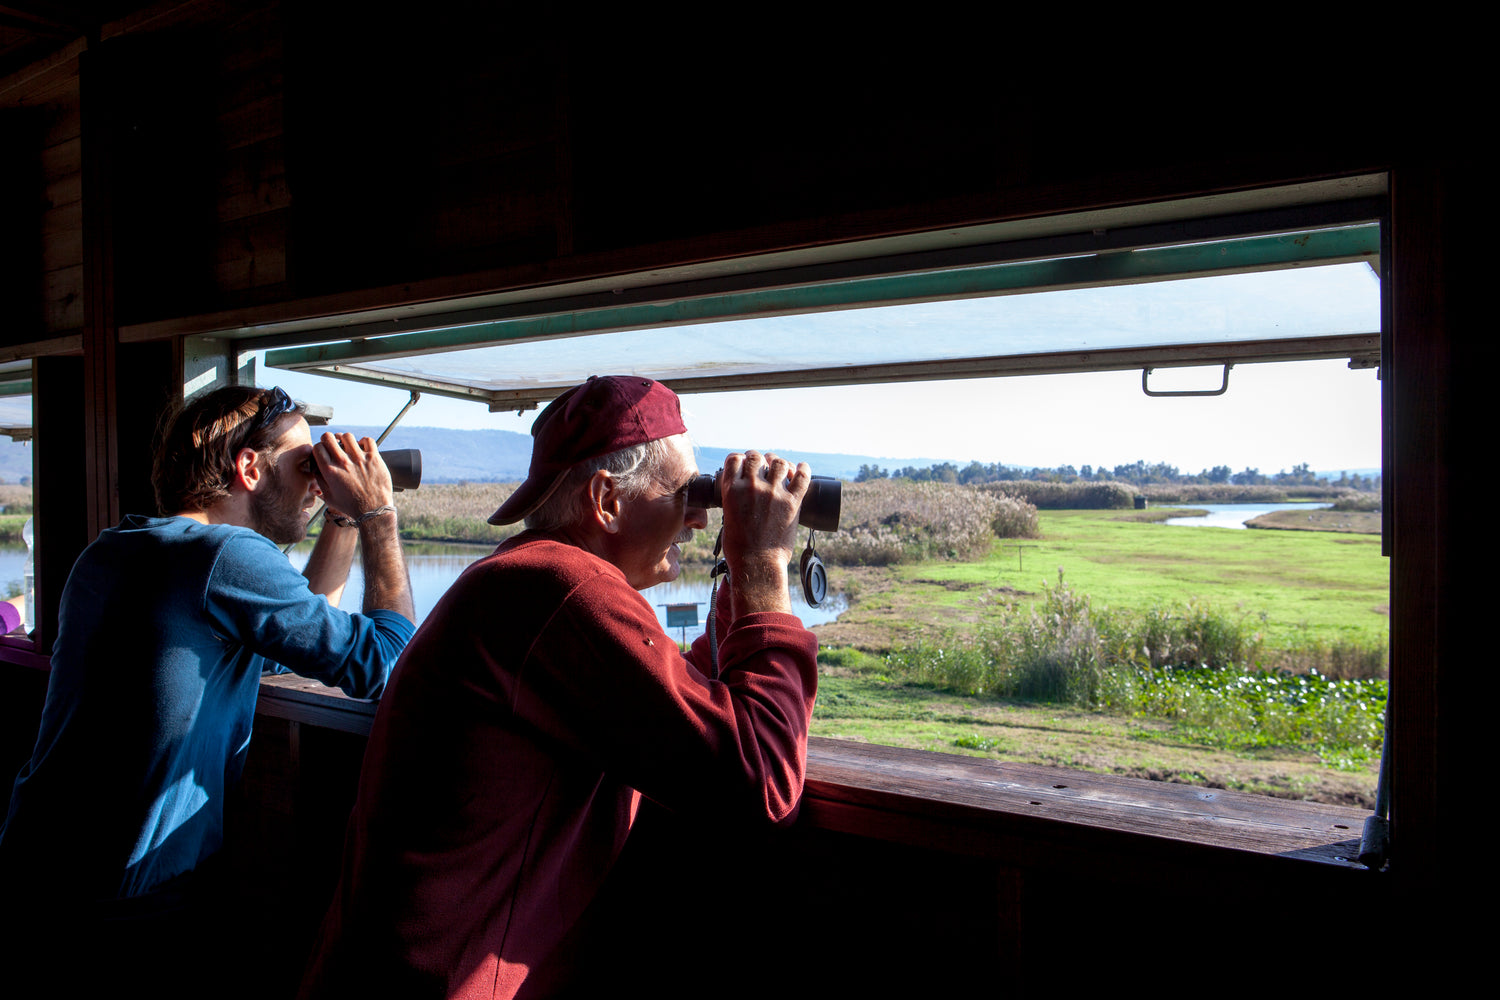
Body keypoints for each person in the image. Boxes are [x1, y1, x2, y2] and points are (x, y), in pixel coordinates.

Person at [300, 375, 819, 999]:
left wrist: (740, 579)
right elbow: (758, 779)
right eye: (686, 493)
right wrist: (763, 565)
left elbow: (686, 708)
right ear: (607, 500)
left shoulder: (526, 578)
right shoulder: (563, 589)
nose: (701, 517)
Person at [0, 385, 416, 985]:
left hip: (36, 869)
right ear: (249, 468)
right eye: (306, 464)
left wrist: (343, 517)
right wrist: (379, 516)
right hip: (127, 897)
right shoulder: (226, 556)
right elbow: (383, 663)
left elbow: (295, 640)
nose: (314, 483)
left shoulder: (117, 548)